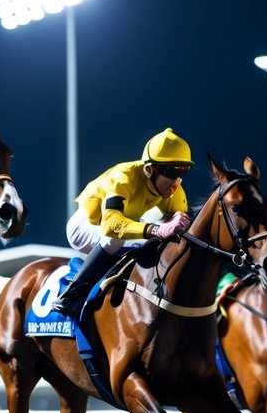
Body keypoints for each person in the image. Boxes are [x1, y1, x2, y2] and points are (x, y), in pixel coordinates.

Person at [51, 128, 194, 317]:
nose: (176, 182)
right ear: (149, 169)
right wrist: (157, 230)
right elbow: (111, 224)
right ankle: (71, 294)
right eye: (170, 172)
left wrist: (178, 220)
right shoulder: (123, 176)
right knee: (115, 239)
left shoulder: (174, 190)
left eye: (182, 172)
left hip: (122, 224)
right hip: (86, 225)